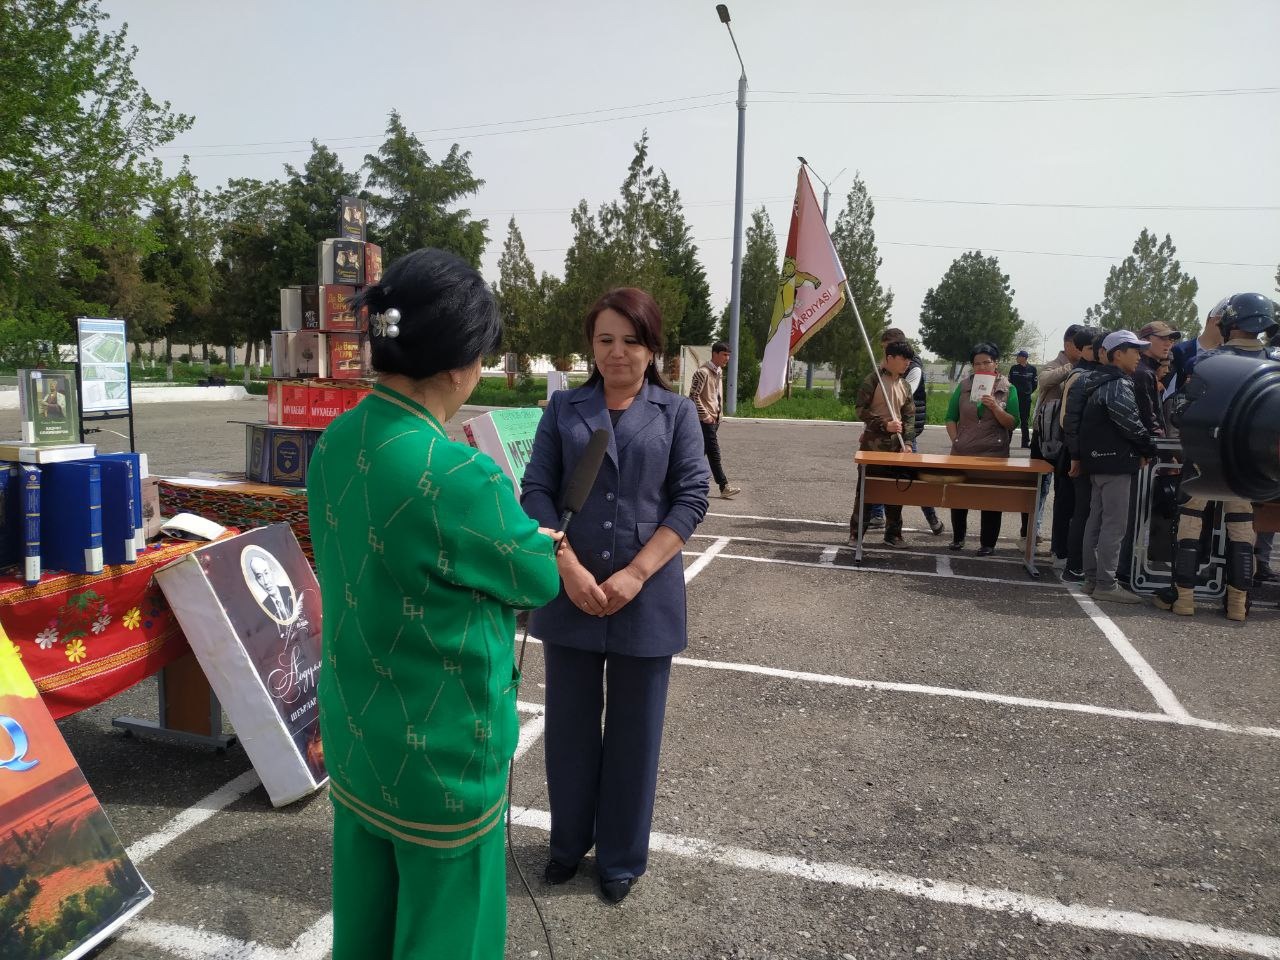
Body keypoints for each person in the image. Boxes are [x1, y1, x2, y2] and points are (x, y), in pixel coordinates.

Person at [307, 248, 563, 960]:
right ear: (459, 365)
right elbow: (537, 577)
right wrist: (536, 542)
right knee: (450, 936)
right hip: (441, 756)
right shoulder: (458, 473)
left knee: (364, 927)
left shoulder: (336, 440)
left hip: (358, 734)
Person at [520, 287, 709, 904]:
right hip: (570, 588)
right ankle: (567, 844)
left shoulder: (676, 413)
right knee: (569, 729)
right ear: (591, 345)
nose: (617, 353)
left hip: (645, 596)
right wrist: (566, 565)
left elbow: (691, 499)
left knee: (635, 734)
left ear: (652, 348)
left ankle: (621, 857)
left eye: (631, 341)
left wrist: (636, 573)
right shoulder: (563, 408)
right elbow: (536, 490)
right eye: (605, 340)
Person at [1153, 293, 1277, 622]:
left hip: (1205, 457)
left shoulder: (1208, 361)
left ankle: (1183, 597)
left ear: (1230, 322)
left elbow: (1181, 412)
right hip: (1248, 464)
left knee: (1190, 521)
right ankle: (1238, 602)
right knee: (1242, 527)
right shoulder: (1273, 362)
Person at [1078, 331, 1158, 603]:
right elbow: (1130, 423)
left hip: (1098, 462)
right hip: (1115, 463)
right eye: (1134, 351)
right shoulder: (1118, 384)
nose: (1139, 356)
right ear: (1118, 354)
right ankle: (1106, 583)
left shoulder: (1095, 381)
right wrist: (1148, 448)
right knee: (1114, 525)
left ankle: (1092, 580)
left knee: (1096, 521)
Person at [945, 343, 1019, 556]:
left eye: (987, 362)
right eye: (977, 363)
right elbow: (950, 417)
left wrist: (995, 407)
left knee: (991, 499)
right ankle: (958, 537)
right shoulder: (964, 386)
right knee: (959, 497)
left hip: (993, 454)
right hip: (963, 452)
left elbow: (1013, 422)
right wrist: (956, 439)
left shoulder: (1008, 388)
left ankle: (988, 543)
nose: (982, 367)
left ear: (996, 363)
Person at [849, 339, 917, 548]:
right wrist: (884, 425)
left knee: (896, 492)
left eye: (909, 360)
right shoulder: (873, 380)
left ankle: (893, 535)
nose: (907, 363)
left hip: (897, 449)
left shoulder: (904, 385)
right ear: (890, 358)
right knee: (866, 492)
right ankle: (856, 535)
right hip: (873, 447)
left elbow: (909, 416)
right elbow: (860, 409)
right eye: (903, 359)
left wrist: (908, 442)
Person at [881, 328, 945, 535]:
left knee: (913, 476)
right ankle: (876, 514)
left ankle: (931, 518)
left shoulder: (914, 368)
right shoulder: (885, 367)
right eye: (884, 350)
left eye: (888, 349)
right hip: (885, 429)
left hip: (906, 431)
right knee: (878, 473)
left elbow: (901, 397)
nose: (885, 354)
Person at [1059, 328, 1104, 584]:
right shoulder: (1080, 376)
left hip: (1084, 452)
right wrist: (1076, 454)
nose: (1097, 352)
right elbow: (1067, 420)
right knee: (1082, 511)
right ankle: (1073, 564)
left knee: (1086, 510)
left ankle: (1075, 561)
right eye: (1092, 348)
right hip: (1078, 453)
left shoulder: (1093, 373)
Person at [1037, 325, 1085, 561]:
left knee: (1064, 494)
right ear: (1068, 345)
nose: (1084, 350)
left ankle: (1060, 545)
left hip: (1067, 440)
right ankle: (1033, 532)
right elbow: (1044, 380)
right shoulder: (1055, 365)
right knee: (1040, 488)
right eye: (1080, 346)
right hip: (1046, 438)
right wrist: (1072, 369)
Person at [689, 341, 740, 499]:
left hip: (714, 420)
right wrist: (705, 415)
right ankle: (724, 486)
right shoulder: (702, 372)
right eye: (724, 355)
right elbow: (693, 396)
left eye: (728, 355)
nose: (727, 358)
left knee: (699, 454)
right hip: (705, 421)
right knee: (714, 453)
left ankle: (679, 482)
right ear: (715, 354)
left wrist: (719, 416)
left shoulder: (718, 371)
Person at [1134, 321, 1182, 437]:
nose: (1168, 344)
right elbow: (1149, 421)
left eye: (1170, 340)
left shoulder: (1147, 370)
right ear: (1144, 341)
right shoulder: (1143, 373)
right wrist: (1162, 446)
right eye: (1162, 338)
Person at [1007, 350, 1038, 448]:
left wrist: (1028, 392)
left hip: (1026, 399)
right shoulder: (1014, 368)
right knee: (1011, 419)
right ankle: (1007, 442)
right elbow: (1009, 382)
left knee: (1024, 421)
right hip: (1014, 398)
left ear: (1024, 358)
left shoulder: (1032, 369)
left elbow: (1035, 384)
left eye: (1018, 356)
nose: (1016, 358)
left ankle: (1025, 443)